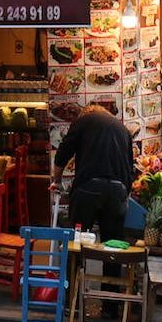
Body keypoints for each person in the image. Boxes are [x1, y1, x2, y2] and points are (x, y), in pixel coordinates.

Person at [54, 103, 135, 243]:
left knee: (77, 239)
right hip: (117, 191)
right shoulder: (123, 129)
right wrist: (124, 194)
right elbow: (129, 167)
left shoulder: (83, 121)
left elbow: (62, 153)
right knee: (113, 245)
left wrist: (57, 181)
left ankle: (74, 262)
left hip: (88, 188)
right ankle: (112, 263)